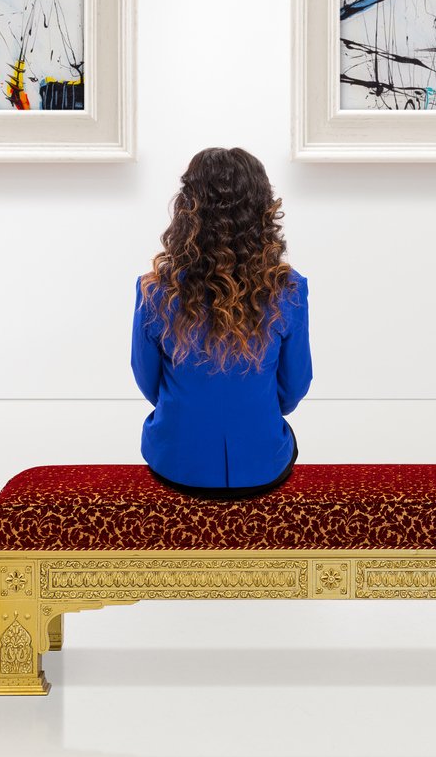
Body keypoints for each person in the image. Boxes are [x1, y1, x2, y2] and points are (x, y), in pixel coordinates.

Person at [131, 147, 311, 500]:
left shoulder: (155, 289)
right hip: (261, 463)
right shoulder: (288, 288)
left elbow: (148, 381)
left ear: (187, 209)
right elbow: (294, 387)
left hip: (176, 461)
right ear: (262, 211)